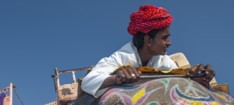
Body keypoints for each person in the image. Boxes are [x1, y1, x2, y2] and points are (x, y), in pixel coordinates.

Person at [81, 4, 215, 98]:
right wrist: (116, 78)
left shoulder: (164, 61)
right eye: (165, 38)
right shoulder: (120, 58)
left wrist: (198, 78)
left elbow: (180, 81)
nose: (169, 42)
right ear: (148, 40)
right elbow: (88, 82)